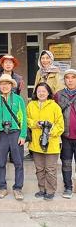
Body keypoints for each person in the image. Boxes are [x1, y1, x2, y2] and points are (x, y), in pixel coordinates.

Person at [0, 74, 27, 201]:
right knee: (1, 162)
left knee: (18, 162)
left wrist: (23, 135)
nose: (5, 86)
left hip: (15, 133)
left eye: (7, 83)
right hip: (1, 134)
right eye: (2, 84)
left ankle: (18, 188)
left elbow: (24, 118)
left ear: (12, 85)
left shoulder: (18, 99)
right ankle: (2, 187)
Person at [27, 82, 64, 201]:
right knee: (39, 168)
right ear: (35, 93)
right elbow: (27, 120)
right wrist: (35, 124)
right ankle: (42, 189)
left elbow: (60, 125)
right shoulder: (31, 105)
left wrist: (50, 131)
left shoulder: (55, 106)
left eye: (43, 91)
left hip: (52, 143)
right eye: (39, 91)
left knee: (50, 169)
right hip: (36, 143)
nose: (41, 93)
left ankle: (50, 190)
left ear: (48, 93)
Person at [54, 69, 76, 199]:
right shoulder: (58, 95)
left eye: (73, 77)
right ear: (64, 80)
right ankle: (68, 187)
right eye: (67, 77)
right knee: (66, 163)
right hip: (65, 135)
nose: (70, 80)